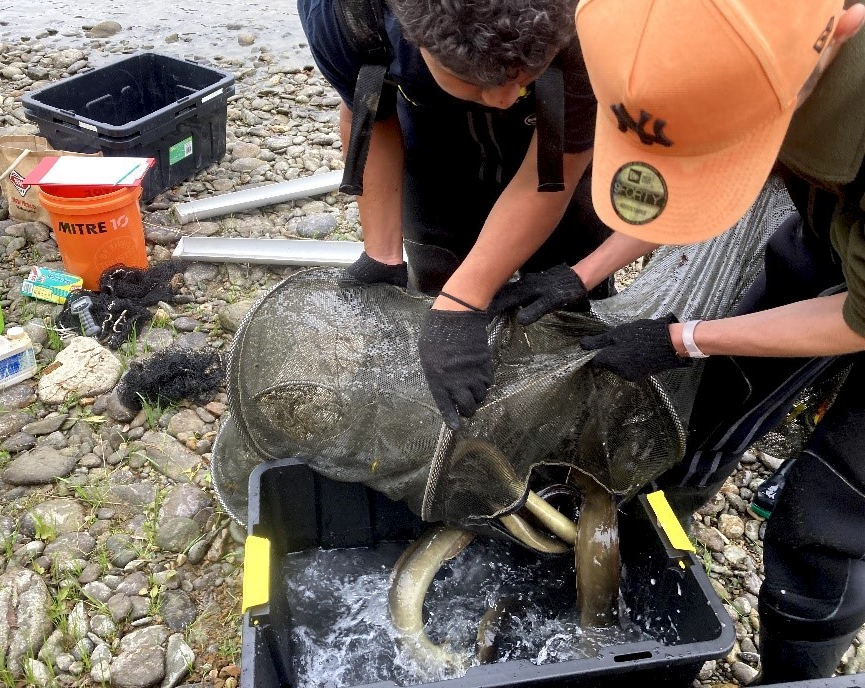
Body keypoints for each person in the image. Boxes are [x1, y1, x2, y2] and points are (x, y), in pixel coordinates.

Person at [476, 0, 865, 682]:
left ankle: (795, 678)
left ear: (842, 29)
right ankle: (661, 517)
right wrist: (580, 272)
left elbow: (857, 320)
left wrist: (685, 338)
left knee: (824, 517)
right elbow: (701, 169)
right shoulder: (733, 37)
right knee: (731, 381)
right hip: (832, 214)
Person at [296, 0, 616, 429]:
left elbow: (559, 165)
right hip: (434, 136)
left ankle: (564, 423)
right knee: (438, 276)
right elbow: (371, 108)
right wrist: (382, 253)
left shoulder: (599, 18)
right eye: (474, 80)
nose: (502, 99)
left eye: (520, 78)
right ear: (415, 37)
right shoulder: (344, 15)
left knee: (564, 295)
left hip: (551, 134)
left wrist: (468, 298)